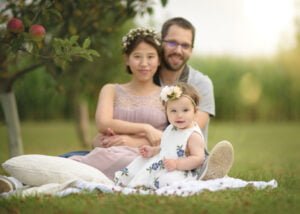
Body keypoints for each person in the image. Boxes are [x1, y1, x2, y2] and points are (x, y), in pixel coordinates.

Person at [0, 27, 168, 192]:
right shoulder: (111, 90)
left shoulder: (168, 95)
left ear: (159, 60)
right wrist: (146, 129)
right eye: (137, 56)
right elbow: (103, 123)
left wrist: (133, 141)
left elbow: (176, 134)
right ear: (126, 59)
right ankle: (18, 182)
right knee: (98, 158)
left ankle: (20, 183)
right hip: (108, 150)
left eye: (151, 57)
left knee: (103, 160)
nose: (144, 63)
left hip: (144, 156)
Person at [114, 83, 207, 189]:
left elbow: (198, 158)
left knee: (167, 181)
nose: (179, 115)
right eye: (173, 111)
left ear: (195, 112)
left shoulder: (193, 135)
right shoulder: (171, 128)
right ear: (166, 112)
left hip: (179, 169)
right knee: (138, 165)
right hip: (162, 164)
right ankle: (132, 182)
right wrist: (153, 150)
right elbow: (166, 147)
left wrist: (177, 164)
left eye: (185, 110)